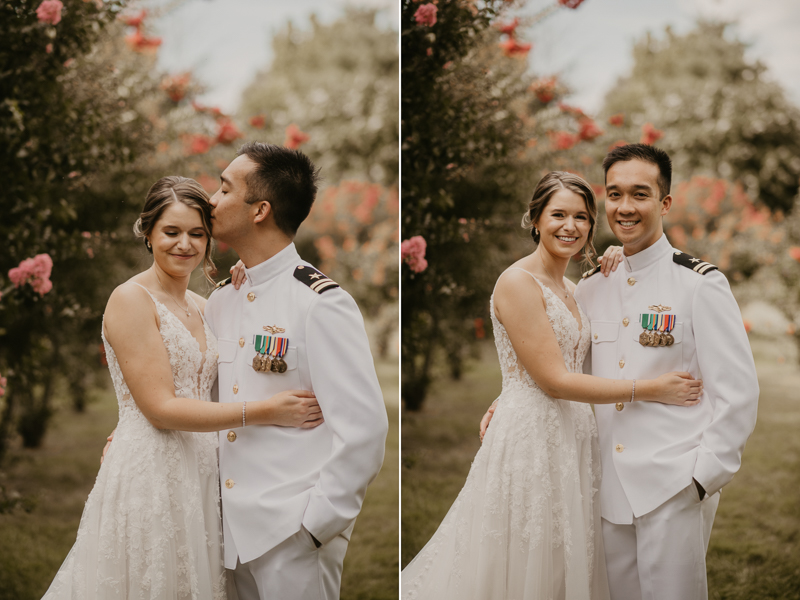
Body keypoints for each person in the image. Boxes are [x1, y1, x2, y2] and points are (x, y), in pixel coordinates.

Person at [401, 170, 704, 600]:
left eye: (581, 217)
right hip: (533, 436)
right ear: (535, 219)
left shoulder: (574, 287)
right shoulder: (516, 282)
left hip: (575, 436)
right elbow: (556, 381)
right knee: (527, 554)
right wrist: (650, 388)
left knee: (567, 556)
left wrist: (621, 255)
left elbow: (570, 358)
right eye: (558, 214)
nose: (570, 226)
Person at [481, 145, 760, 600]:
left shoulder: (699, 284)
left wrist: (702, 478)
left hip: (674, 483)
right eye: (614, 194)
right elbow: (566, 365)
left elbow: (739, 393)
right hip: (604, 488)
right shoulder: (591, 287)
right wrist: (508, 397)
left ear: (664, 203)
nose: (625, 207)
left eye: (640, 194)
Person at [43, 176, 322, 599]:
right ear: (148, 232)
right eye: (171, 232)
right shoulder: (130, 299)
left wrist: (254, 285)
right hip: (152, 470)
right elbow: (160, 408)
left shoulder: (205, 305)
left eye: (197, 234)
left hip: (206, 472)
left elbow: (218, 379)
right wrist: (266, 410)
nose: (184, 244)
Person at [203, 142, 388, 600]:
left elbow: (364, 429)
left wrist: (316, 526)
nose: (211, 200)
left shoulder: (321, 303)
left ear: (260, 209)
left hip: (292, 531)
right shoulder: (222, 299)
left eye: (224, 189)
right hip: (227, 530)